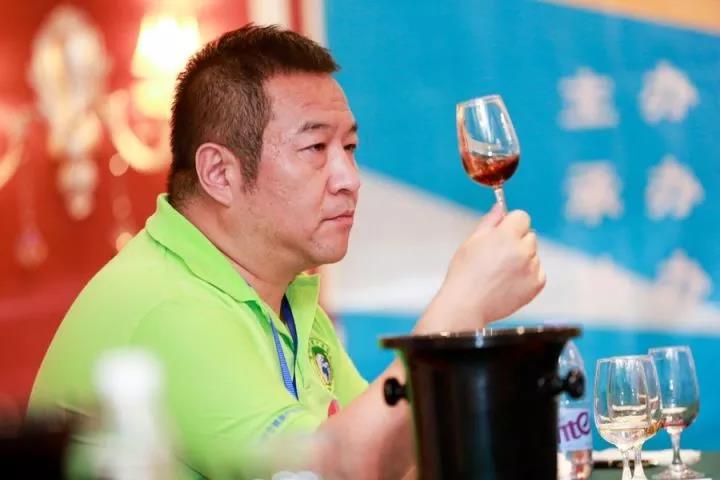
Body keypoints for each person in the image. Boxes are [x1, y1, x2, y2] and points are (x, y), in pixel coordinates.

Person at [29, 24, 545, 479]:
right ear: (219, 173)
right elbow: (333, 474)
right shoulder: (170, 306)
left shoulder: (281, 295)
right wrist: (461, 308)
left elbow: (398, 461)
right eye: (316, 148)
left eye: (349, 148)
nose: (350, 179)